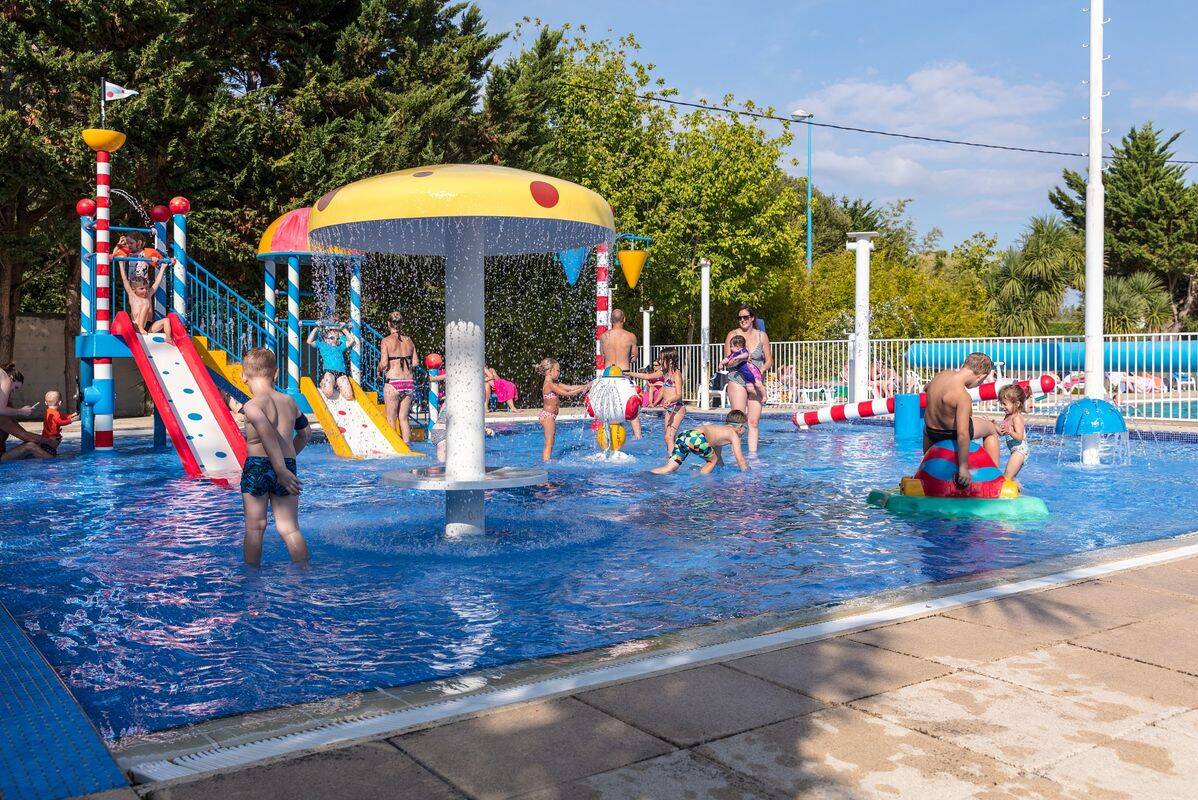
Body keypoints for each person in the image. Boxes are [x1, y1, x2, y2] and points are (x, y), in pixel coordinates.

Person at [239, 347, 310, 566]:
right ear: (276, 373)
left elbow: (265, 430)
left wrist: (278, 468)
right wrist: (287, 463)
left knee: (255, 526)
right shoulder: (289, 402)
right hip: (287, 466)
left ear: (243, 376)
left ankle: (251, 579)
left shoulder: (251, 405)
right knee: (289, 528)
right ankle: (304, 572)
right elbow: (306, 433)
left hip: (259, 466)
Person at [922, 352, 1001, 489]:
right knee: (991, 429)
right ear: (980, 376)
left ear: (964, 365)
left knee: (927, 426)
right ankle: (994, 475)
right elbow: (963, 434)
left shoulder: (942, 375)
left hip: (931, 433)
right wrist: (963, 468)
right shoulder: (962, 396)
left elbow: (926, 388)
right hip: (950, 433)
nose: (979, 384)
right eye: (981, 382)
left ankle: (925, 467)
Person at [723, 305, 772, 453]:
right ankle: (734, 454)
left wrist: (759, 370)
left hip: (755, 381)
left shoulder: (761, 335)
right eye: (740, 318)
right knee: (737, 421)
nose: (742, 320)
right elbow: (728, 360)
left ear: (752, 318)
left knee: (753, 421)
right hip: (737, 378)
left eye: (745, 317)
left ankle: (752, 455)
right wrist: (740, 359)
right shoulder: (732, 335)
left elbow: (769, 360)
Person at [651, 409, 749, 475]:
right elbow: (740, 459)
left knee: (670, 468)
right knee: (712, 461)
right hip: (696, 437)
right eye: (746, 428)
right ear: (740, 427)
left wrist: (722, 470)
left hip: (685, 435)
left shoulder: (720, 432)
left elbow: (718, 458)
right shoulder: (733, 434)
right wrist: (747, 474)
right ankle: (696, 481)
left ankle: (648, 474)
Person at [630, 348, 685, 457]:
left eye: (662, 359)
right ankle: (673, 456)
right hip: (669, 409)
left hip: (678, 408)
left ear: (670, 361)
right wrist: (628, 373)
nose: (659, 362)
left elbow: (679, 395)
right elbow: (647, 376)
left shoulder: (676, 374)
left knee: (668, 437)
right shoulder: (664, 373)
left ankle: (673, 461)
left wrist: (670, 400)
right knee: (668, 437)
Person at [598, 308, 642, 439]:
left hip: (607, 376)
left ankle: (606, 438)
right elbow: (634, 357)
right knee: (632, 409)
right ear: (624, 319)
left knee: (607, 408)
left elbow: (603, 355)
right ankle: (638, 437)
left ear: (611, 320)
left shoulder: (604, 336)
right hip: (624, 375)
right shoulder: (630, 336)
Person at [536, 357, 590, 461]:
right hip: (548, 416)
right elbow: (567, 393)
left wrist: (585, 386)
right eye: (558, 370)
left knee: (551, 441)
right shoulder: (549, 384)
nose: (559, 373)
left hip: (549, 416)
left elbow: (569, 387)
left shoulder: (554, 383)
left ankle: (547, 460)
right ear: (550, 371)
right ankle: (546, 463)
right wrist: (582, 389)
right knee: (549, 442)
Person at [0, 364, 55, 460]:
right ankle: (58, 464)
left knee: (34, 443)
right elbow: (24, 436)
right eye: (15, 388)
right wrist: (50, 442)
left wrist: (46, 440)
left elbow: (23, 433)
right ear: (11, 378)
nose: (13, 391)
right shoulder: (5, 378)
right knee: (31, 445)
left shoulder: (6, 411)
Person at [378, 311, 418, 443]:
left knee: (391, 419)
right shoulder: (409, 340)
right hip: (408, 383)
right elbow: (416, 363)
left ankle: (394, 449)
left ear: (389, 323)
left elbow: (384, 363)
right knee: (404, 418)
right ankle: (407, 448)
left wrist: (379, 370)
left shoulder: (386, 341)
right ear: (401, 324)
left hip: (394, 383)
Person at [119, 260, 171, 339]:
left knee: (166, 320)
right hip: (136, 326)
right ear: (134, 289)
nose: (145, 291)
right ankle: (140, 328)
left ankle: (168, 338)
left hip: (148, 326)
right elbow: (124, 280)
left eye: (146, 288)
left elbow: (156, 283)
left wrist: (163, 268)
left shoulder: (148, 295)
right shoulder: (132, 296)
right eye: (141, 289)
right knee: (145, 303)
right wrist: (121, 264)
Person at [307, 322, 356, 401]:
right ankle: (323, 383)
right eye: (332, 338)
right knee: (328, 393)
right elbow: (309, 341)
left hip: (341, 373)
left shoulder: (340, 347)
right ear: (326, 339)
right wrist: (316, 328)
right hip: (329, 372)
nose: (335, 340)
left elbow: (351, 340)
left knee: (349, 397)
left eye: (337, 338)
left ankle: (338, 385)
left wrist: (343, 328)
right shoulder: (322, 345)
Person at [997, 383, 1031, 483]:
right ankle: (1018, 492)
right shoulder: (1007, 417)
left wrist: (1010, 431)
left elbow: (1020, 437)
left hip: (1020, 451)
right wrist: (992, 424)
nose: (1002, 406)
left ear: (1016, 404)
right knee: (1010, 479)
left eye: (1004, 404)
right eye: (1001, 403)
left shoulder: (1017, 418)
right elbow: (1002, 432)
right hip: (1014, 451)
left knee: (1006, 478)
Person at [721, 334, 765, 399]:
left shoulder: (742, 351)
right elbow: (727, 359)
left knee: (758, 384)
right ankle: (758, 396)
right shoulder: (733, 355)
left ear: (738, 347)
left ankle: (765, 396)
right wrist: (721, 363)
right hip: (746, 375)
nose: (730, 348)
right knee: (750, 389)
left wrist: (738, 358)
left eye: (731, 346)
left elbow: (746, 355)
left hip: (752, 371)